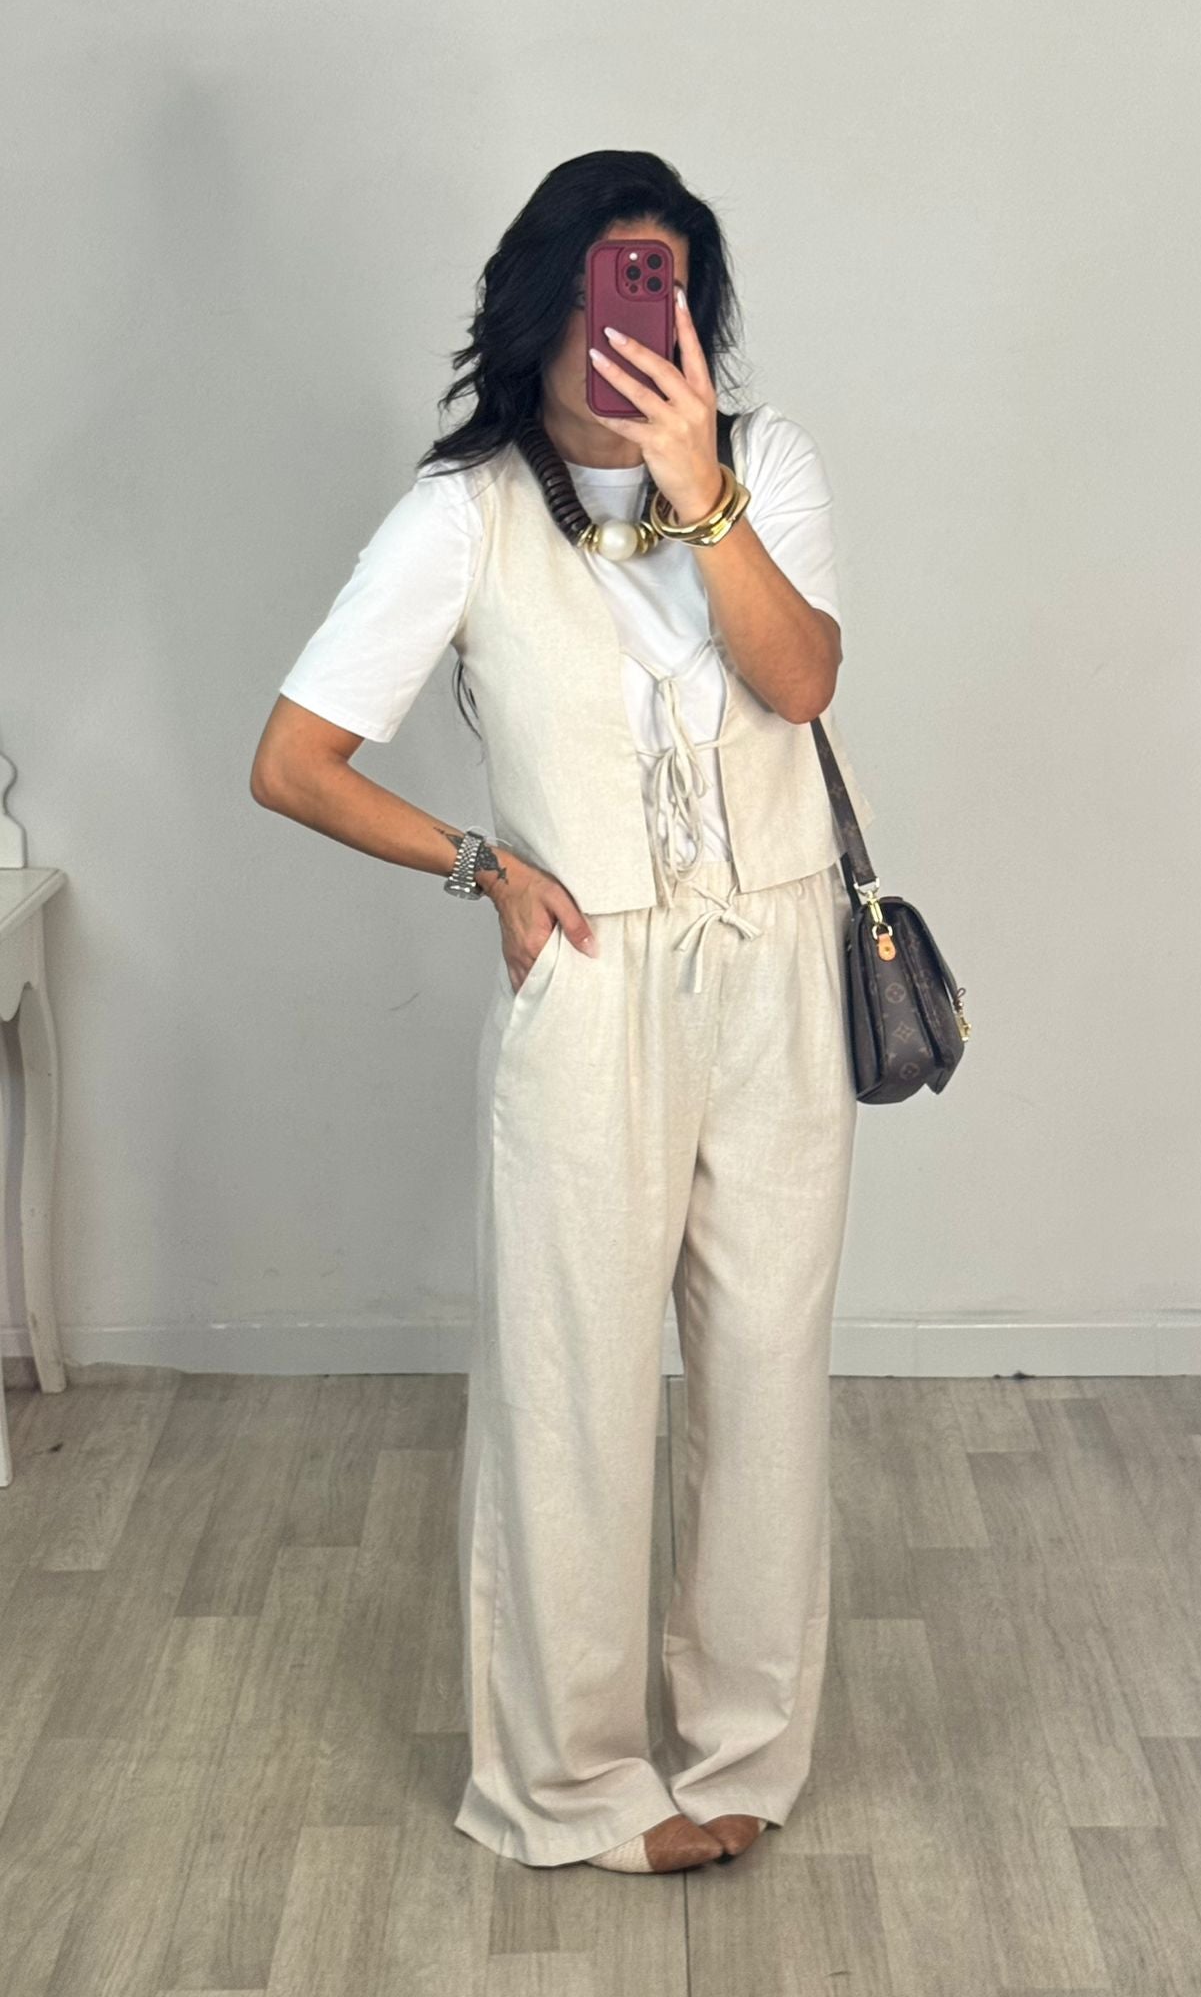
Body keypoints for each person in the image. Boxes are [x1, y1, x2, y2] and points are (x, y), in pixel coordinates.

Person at [251, 149, 875, 1877]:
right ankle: (572, 1783)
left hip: (778, 962)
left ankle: (746, 1746)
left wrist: (701, 487)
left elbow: (802, 680)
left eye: (666, 289)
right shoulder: (462, 515)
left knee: (765, 1374)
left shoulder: (766, 466)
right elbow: (295, 761)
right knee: (575, 1391)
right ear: (543, 303)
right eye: (611, 283)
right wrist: (482, 866)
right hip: (592, 979)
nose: (636, 322)